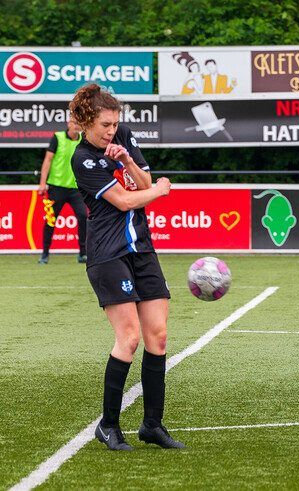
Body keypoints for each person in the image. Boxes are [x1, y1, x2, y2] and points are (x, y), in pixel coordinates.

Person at [69, 83, 184, 451]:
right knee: (130, 338)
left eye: (115, 123)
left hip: (141, 250)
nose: (110, 130)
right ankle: (109, 424)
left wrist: (128, 160)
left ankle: (152, 425)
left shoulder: (123, 137)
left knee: (159, 337)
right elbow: (123, 201)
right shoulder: (82, 158)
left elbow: (142, 181)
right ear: (86, 121)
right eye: (104, 124)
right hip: (107, 254)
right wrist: (161, 190)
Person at [37, 117, 88, 264]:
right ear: (69, 124)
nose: (77, 126)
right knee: (51, 220)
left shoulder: (83, 140)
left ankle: (83, 254)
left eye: (80, 124)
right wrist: (42, 183)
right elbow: (48, 160)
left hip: (76, 188)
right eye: (75, 123)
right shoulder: (57, 137)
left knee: (84, 217)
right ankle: (45, 254)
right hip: (56, 187)